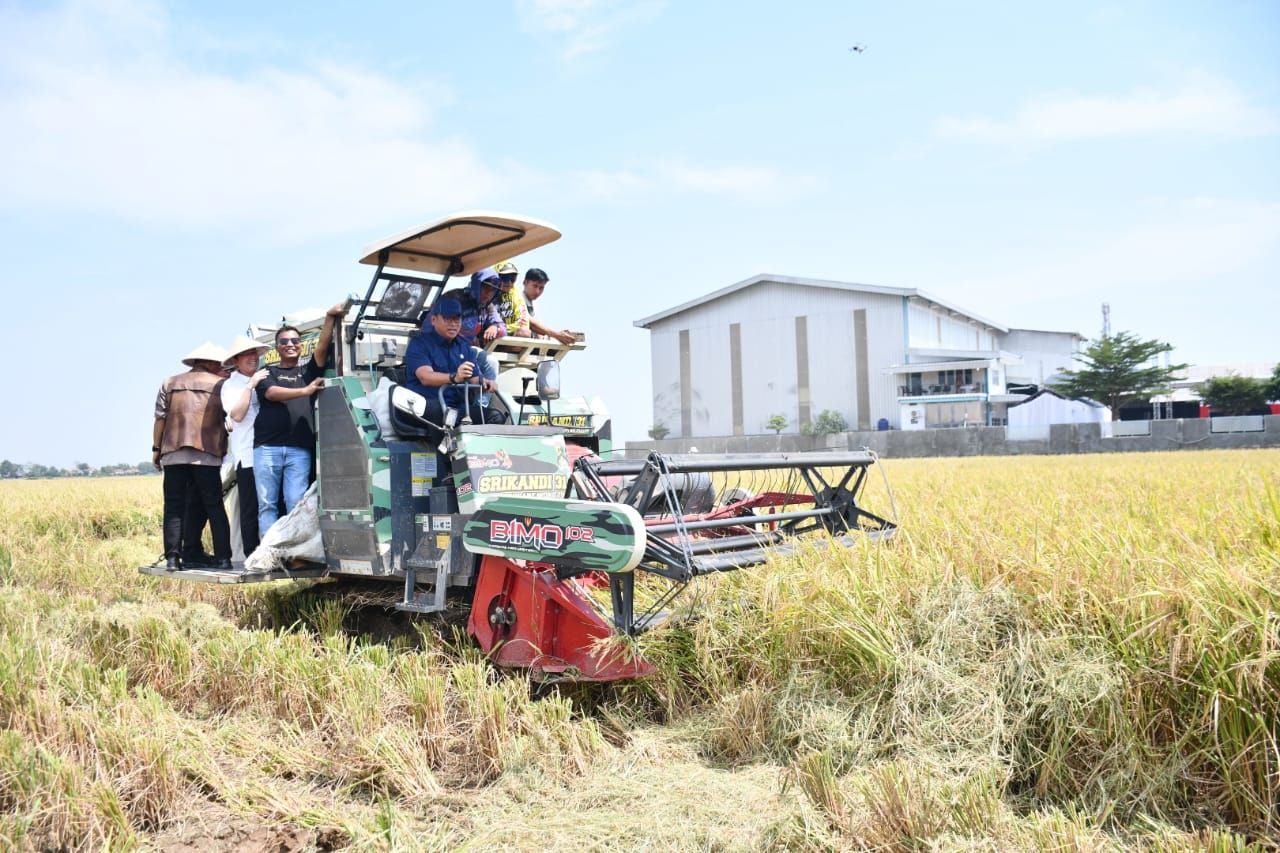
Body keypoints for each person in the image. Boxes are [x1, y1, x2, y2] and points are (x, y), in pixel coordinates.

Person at [253, 302, 345, 537]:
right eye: (284, 342)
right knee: (268, 505)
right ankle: (269, 555)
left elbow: (323, 347)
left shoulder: (308, 372)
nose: (290, 345)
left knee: (296, 502)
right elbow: (272, 393)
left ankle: (293, 553)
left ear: (301, 345)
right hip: (267, 448)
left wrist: (330, 316)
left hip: (298, 448)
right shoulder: (267, 372)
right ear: (277, 347)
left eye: (294, 341)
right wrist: (304, 391)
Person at [152, 341, 232, 570]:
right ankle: (224, 558)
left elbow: (160, 419)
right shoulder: (221, 385)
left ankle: (172, 559)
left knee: (174, 506)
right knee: (214, 505)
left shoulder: (170, 382)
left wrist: (156, 449)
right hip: (206, 453)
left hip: (173, 452)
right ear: (211, 362)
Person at [404, 296, 498, 425]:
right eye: (448, 319)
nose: (453, 323)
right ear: (433, 320)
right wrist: (454, 377)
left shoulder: (464, 347)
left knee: (495, 417)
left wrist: (486, 382)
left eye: (457, 318)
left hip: (456, 408)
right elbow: (425, 377)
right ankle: (446, 445)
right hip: (427, 404)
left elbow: (474, 378)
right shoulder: (419, 344)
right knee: (445, 415)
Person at [220, 334, 271, 557]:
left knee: (270, 504)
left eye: (255, 353)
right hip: (248, 455)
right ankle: (251, 555)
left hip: (271, 452)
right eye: (247, 354)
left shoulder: (267, 378)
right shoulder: (231, 386)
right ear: (236, 360)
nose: (253, 357)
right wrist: (250, 386)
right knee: (250, 508)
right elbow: (237, 415)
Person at [435, 268, 505, 408]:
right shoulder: (455, 298)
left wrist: (495, 327)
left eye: (492, 290)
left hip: (467, 352)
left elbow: (502, 327)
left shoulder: (487, 306)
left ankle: (480, 409)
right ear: (476, 285)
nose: (488, 293)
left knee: (491, 362)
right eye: (485, 288)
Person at [520, 268, 577, 345]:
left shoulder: (534, 305)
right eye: (535, 286)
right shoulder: (518, 299)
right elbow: (531, 323)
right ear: (525, 282)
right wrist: (557, 335)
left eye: (541, 288)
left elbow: (539, 329)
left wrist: (562, 336)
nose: (537, 291)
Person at [492, 260, 529, 336]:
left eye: (513, 278)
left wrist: (502, 329)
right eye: (505, 278)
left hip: (506, 335)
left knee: (524, 332)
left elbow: (523, 322)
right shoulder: (487, 293)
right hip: (489, 336)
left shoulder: (516, 294)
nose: (509, 282)